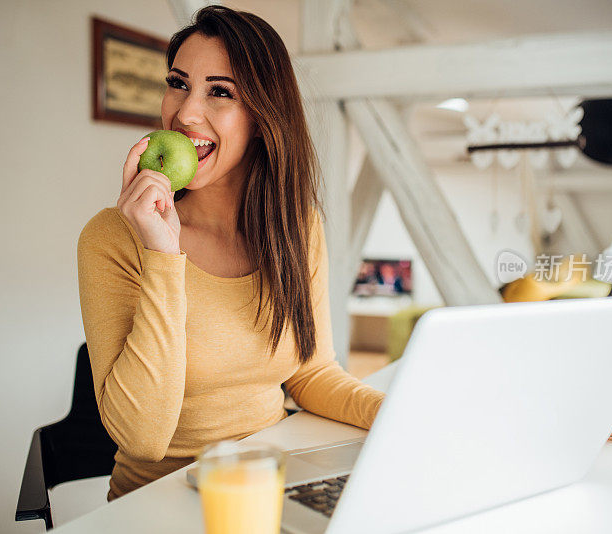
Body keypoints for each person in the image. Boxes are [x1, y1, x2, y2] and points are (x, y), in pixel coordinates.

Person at [77, 6, 385, 501]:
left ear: (265, 117)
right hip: (156, 505)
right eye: (178, 83)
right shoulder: (112, 238)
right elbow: (143, 439)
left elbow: (311, 373)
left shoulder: (295, 226)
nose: (185, 113)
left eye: (220, 91)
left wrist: (395, 410)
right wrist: (163, 252)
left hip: (270, 486)